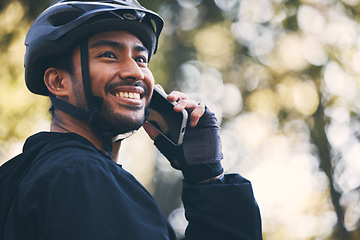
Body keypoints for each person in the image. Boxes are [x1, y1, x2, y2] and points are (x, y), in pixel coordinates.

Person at [0, 0, 262, 239]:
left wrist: (207, 178)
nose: (135, 71)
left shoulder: (23, 177)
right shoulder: (82, 175)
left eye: (141, 58)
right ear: (58, 82)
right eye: (109, 55)